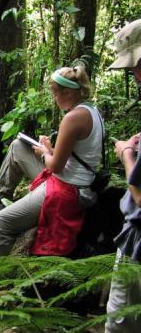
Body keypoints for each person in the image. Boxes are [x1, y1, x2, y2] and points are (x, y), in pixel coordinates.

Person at [0, 65, 104, 263]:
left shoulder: (73, 118)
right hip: (72, 179)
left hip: (68, 189)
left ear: (68, 92)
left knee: (0, 223)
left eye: (56, 94)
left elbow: (55, 166)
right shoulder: (92, 111)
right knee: (18, 146)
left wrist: (45, 152)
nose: (54, 99)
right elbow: (74, 157)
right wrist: (49, 150)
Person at [105, 19, 141, 333]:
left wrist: (126, 155)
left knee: (121, 322)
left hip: (139, 240)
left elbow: (140, 194)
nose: (135, 75)